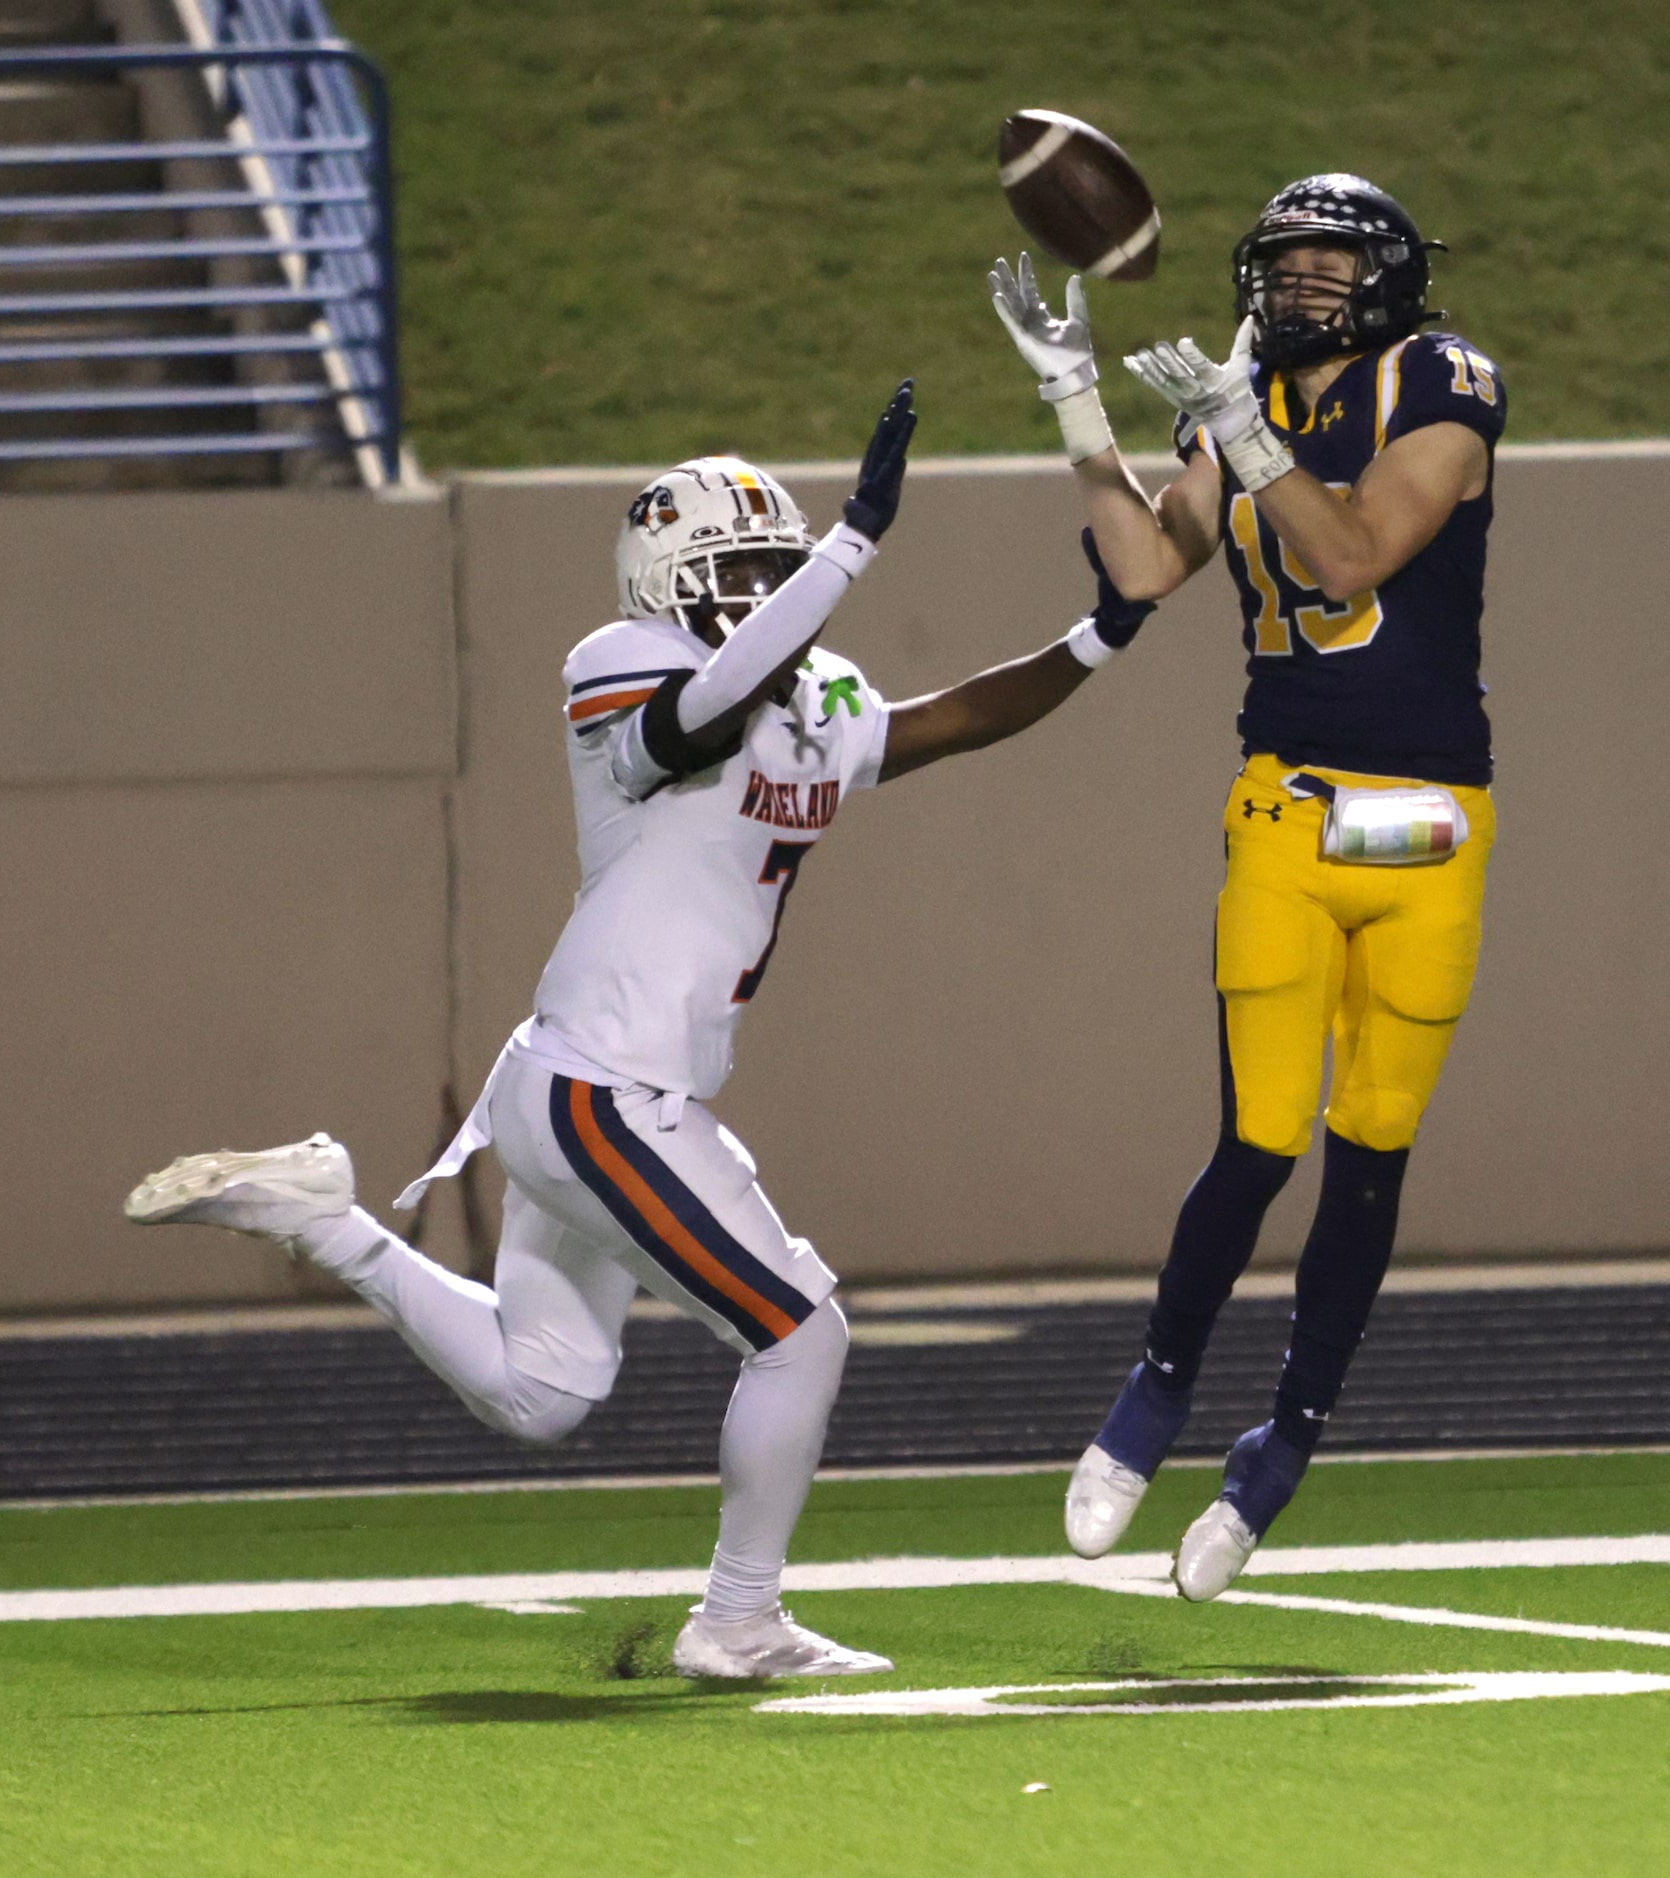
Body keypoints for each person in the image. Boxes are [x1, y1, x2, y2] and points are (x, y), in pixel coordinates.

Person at [127, 381, 1159, 1677]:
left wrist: (1106, 628)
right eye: (739, 571)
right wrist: (844, 549)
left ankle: (324, 1216)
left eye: (772, 570)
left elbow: (953, 719)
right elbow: (691, 722)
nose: (762, 592)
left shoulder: (817, 696)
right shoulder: (622, 664)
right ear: (666, 582)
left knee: (541, 1388)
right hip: (604, 1091)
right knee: (800, 1329)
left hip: (576, 1084)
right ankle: (736, 1618)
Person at [990, 174, 1504, 1599]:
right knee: (1260, 1133)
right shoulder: (1238, 399)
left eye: (1327, 262)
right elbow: (1148, 561)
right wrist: (1076, 408)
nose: (1298, 286)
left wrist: (1235, 427)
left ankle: (1283, 1441)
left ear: (1388, 271)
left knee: (1372, 1143)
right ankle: (1155, 1387)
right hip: (1286, 805)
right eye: (1281, 263)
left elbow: (1353, 554)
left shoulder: (1442, 380)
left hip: (1429, 823)